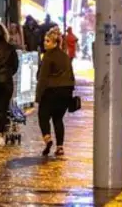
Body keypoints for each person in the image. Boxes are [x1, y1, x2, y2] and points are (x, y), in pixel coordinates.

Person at [36, 27, 75, 157]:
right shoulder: (65, 56)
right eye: (44, 40)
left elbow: (43, 78)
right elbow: (71, 75)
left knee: (43, 115)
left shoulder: (48, 56)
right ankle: (60, 147)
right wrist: (70, 93)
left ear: (55, 43)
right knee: (58, 119)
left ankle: (48, 139)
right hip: (66, 92)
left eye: (47, 41)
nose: (44, 43)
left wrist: (38, 96)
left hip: (51, 91)